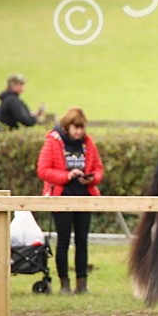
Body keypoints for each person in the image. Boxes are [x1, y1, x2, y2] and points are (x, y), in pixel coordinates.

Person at [37, 107, 105, 294]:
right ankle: (64, 284)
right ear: (67, 126)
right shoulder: (53, 142)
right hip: (62, 197)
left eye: (82, 128)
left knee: (82, 241)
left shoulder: (88, 143)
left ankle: (82, 284)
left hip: (84, 197)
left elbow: (98, 168)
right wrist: (67, 176)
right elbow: (43, 170)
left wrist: (92, 179)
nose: (79, 132)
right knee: (63, 241)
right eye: (76, 128)